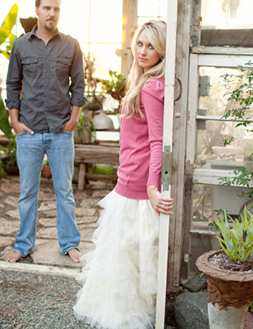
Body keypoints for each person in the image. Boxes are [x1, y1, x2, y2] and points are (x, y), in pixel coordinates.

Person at [73, 20, 174, 328]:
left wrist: (153, 186)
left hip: (139, 184)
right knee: (123, 258)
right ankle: (121, 312)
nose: (144, 51)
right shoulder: (143, 81)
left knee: (129, 259)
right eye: (140, 44)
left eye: (152, 46)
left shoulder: (152, 87)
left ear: (162, 51)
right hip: (128, 178)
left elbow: (158, 141)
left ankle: (127, 318)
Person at [4, 0, 84, 264]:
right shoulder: (21, 45)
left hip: (61, 131)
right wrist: (14, 120)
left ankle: (70, 244)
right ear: (37, 10)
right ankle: (23, 245)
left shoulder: (71, 45)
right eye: (47, 8)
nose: (51, 13)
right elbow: (12, 84)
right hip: (29, 131)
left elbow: (79, 85)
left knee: (65, 192)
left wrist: (73, 119)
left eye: (56, 9)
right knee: (27, 193)